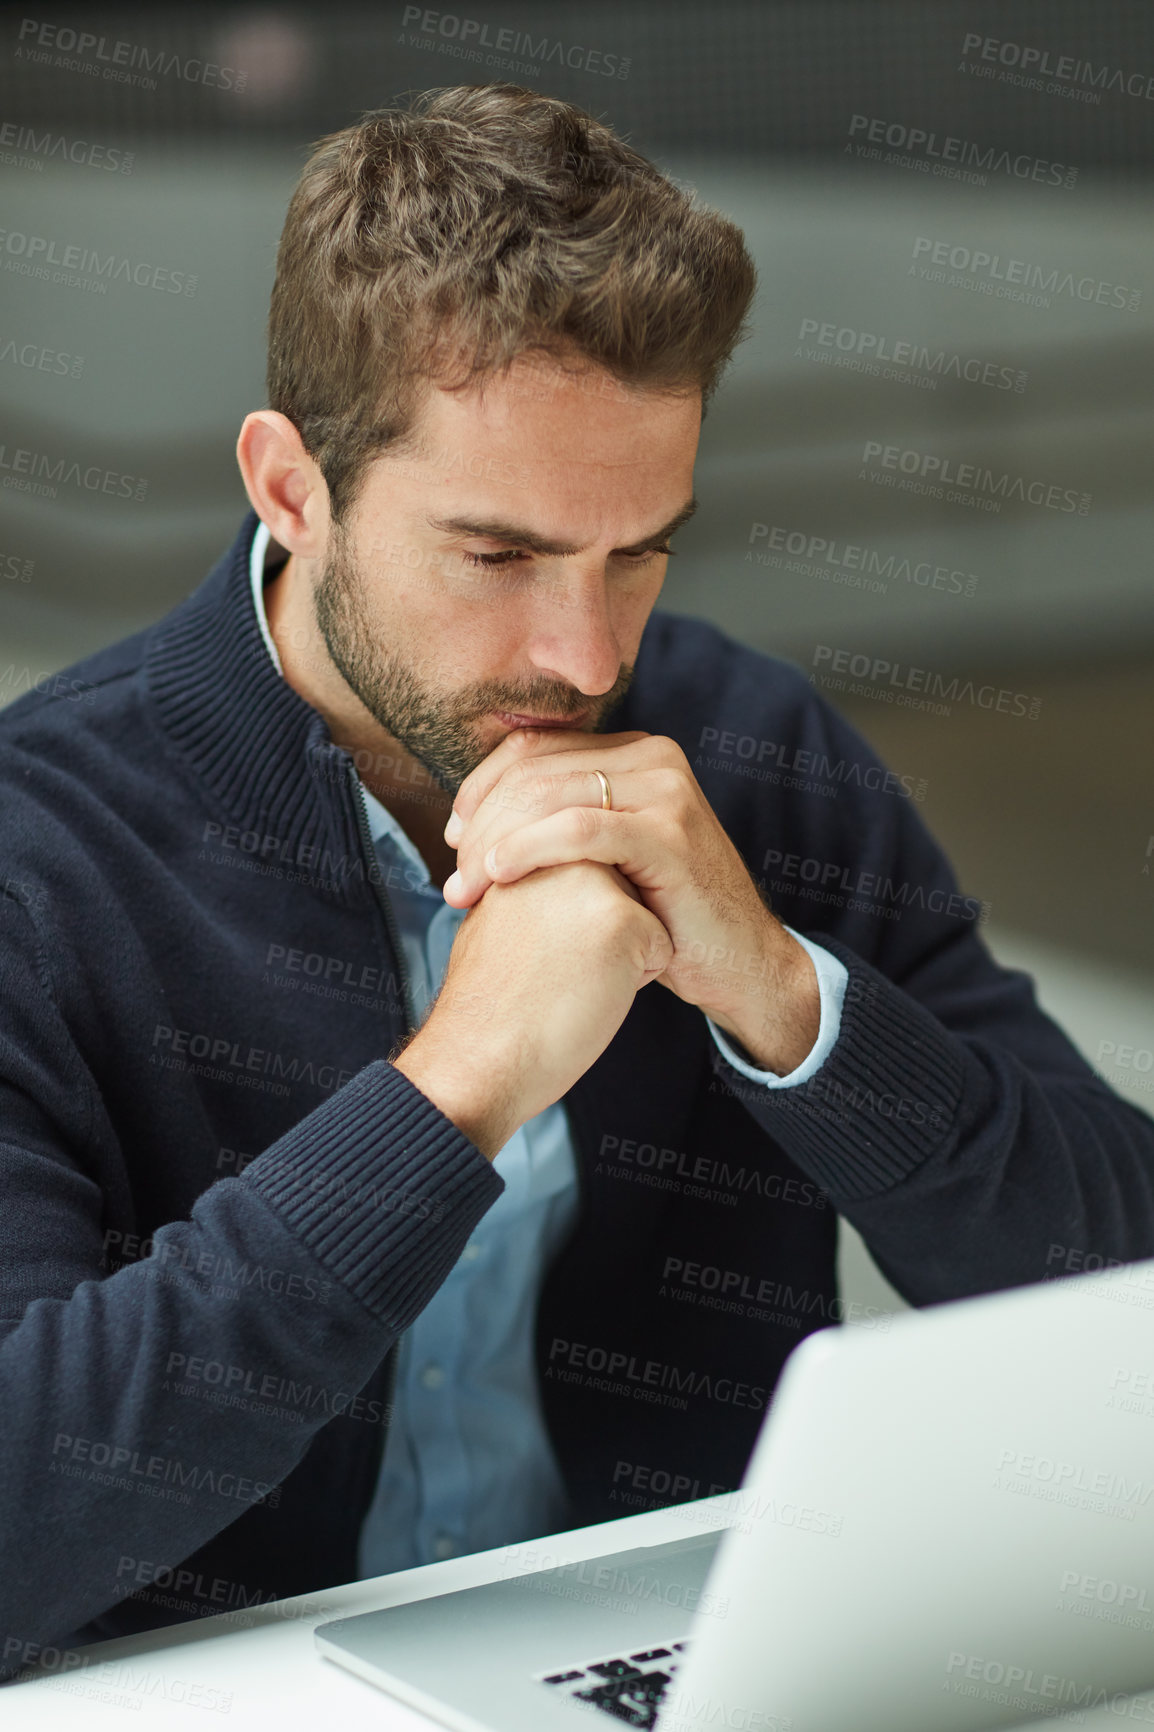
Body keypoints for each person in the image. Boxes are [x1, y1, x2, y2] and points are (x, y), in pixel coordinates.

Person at [2, 83, 1151, 1677]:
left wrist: (789, 1004)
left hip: (719, 1669)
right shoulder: (37, 859)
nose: (586, 653)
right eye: (500, 556)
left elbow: (1123, 1299)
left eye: (638, 550)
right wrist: (454, 1089)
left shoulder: (753, 758)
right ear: (288, 489)